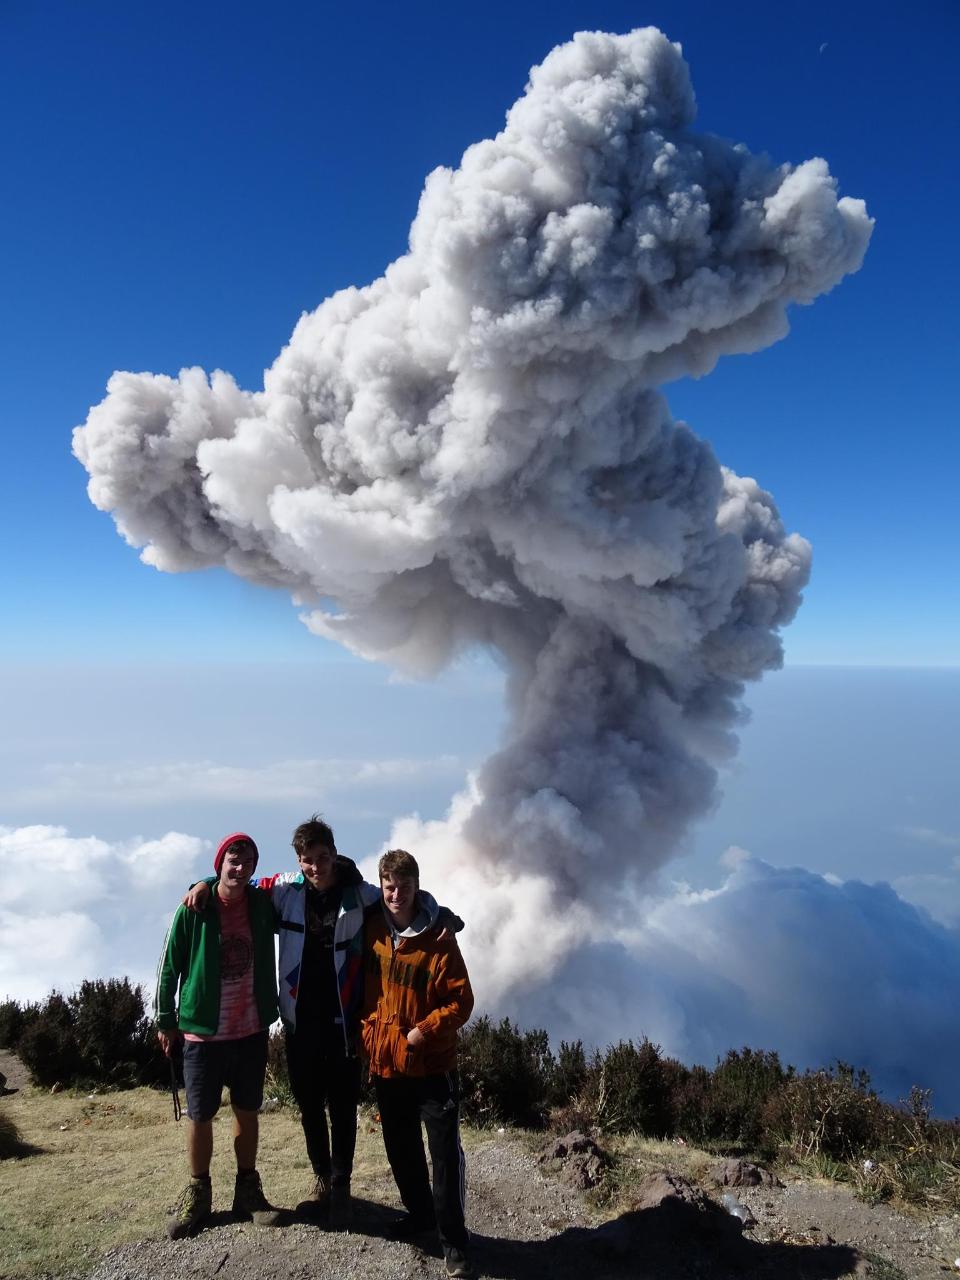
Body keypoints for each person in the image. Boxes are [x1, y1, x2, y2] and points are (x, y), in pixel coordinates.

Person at [184, 815, 460, 1224]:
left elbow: (400, 897)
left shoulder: (359, 894)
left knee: (343, 1105)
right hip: (299, 1021)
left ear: (334, 855)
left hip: (344, 1020)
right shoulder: (284, 890)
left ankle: (342, 1185)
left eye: (323, 857)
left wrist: (440, 915)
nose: (316, 866)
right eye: (308, 859)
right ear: (298, 860)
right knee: (309, 1105)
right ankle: (322, 1180)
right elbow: (237, 883)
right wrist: (203, 883)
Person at [154, 832, 282, 1240]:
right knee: (200, 1115)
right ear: (219, 864)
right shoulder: (194, 908)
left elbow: (302, 886)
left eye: (248, 862)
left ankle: (247, 1191)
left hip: (249, 1030)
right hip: (202, 1034)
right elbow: (169, 965)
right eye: (233, 860)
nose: (240, 868)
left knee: (247, 1109)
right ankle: (199, 1193)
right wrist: (165, 1019)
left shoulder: (263, 905)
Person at [362, 848, 475, 1280]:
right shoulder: (372, 928)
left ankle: (455, 1244)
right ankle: (420, 1215)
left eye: (403, 888)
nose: (395, 895)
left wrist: (423, 1031)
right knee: (400, 1150)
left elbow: (461, 1001)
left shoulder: (439, 938)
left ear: (416, 887)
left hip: (431, 1067)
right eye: (389, 887)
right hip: (387, 1065)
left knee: (443, 1157)